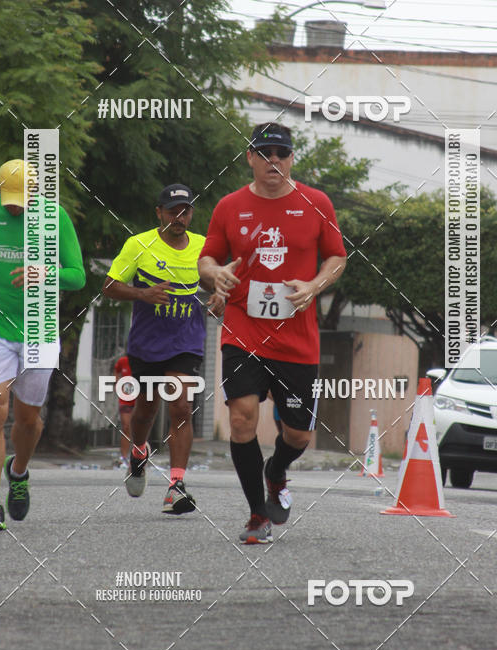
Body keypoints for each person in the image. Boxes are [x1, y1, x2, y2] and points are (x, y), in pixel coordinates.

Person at [198, 123, 347, 544]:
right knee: (242, 418)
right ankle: (256, 514)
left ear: (292, 158)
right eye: (264, 153)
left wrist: (314, 285)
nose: (273, 161)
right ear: (250, 158)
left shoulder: (316, 203)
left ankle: (276, 470)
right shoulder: (229, 206)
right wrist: (215, 275)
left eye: (281, 153)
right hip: (243, 331)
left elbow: (337, 256)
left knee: (298, 433)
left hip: (297, 338)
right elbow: (208, 258)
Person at [0, 159, 86, 531]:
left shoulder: (54, 216)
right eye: (10, 198)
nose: (16, 206)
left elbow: (77, 276)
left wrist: (46, 272)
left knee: (28, 419)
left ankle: (20, 471)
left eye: (23, 199)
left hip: (39, 329)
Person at [103, 184, 222, 514]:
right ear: (159, 213)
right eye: (173, 211)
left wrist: (220, 295)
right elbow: (109, 286)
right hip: (147, 343)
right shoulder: (138, 244)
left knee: (181, 405)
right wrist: (142, 294)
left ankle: (177, 486)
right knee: (146, 408)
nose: (179, 218)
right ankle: (138, 453)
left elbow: (217, 280)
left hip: (186, 341)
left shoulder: (202, 246)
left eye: (185, 211)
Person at [114, 355, 134, 467]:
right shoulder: (123, 361)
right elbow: (116, 370)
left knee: (140, 427)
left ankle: (139, 455)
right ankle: (123, 457)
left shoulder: (145, 360)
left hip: (141, 397)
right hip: (125, 398)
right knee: (126, 426)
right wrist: (117, 383)